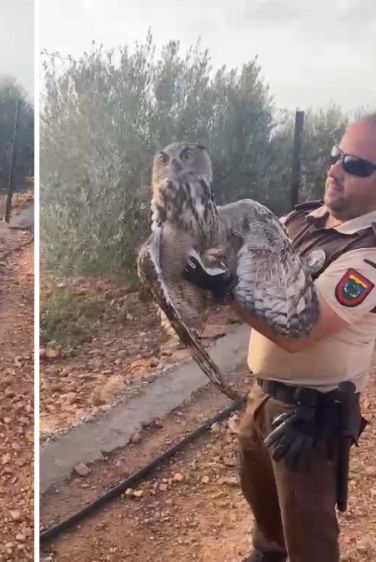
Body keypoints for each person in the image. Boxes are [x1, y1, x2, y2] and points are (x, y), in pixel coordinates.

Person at [186, 115, 376, 562]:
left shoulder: (367, 255)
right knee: (267, 530)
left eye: (355, 165)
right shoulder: (298, 219)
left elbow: (300, 330)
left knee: (308, 542)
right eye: (335, 156)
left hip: (310, 420)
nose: (335, 170)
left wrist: (225, 288)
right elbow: (231, 253)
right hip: (262, 400)